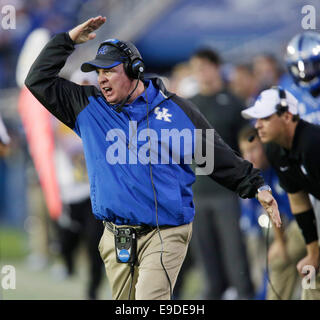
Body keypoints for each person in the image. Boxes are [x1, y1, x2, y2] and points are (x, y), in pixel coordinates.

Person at [25, 16, 281, 300]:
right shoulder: (88, 107)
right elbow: (37, 79)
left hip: (165, 231)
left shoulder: (176, 111)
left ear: (135, 69)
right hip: (116, 235)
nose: (102, 79)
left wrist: (257, 186)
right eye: (98, 73)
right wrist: (68, 40)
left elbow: (216, 155)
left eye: (109, 71)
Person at [241, 87, 320, 299]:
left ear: (287, 116)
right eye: (256, 120)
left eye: (265, 118)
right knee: (309, 272)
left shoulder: (313, 144)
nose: (258, 126)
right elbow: (299, 201)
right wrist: (312, 253)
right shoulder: (274, 149)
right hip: (314, 211)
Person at [189, 48, 254, 299]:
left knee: (234, 252)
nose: (201, 73)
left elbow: (248, 145)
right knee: (206, 255)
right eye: (197, 68)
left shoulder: (234, 102)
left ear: (216, 67)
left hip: (226, 190)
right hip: (197, 191)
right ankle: (213, 292)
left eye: (205, 66)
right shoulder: (189, 103)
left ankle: (244, 292)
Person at [238, 125, 304, 300]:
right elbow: (263, 213)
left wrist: (281, 244)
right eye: (245, 152)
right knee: (268, 261)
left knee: (278, 260)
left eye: (253, 149)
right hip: (283, 229)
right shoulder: (253, 175)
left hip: (302, 224)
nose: (250, 156)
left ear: (264, 145)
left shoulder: (280, 164)